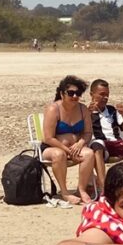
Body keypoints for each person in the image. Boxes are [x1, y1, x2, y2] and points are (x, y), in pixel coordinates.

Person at [41, 75, 97, 205]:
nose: (75, 96)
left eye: (78, 93)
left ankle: (81, 190)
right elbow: (48, 138)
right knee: (58, 154)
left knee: (89, 154)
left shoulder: (83, 109)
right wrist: (67, 150)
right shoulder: (53, 109)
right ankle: (65, 192)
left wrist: (81, 143)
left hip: (75, 147)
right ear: (62, 94)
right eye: (71, 93)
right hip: (51, 148)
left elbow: (88, 132)